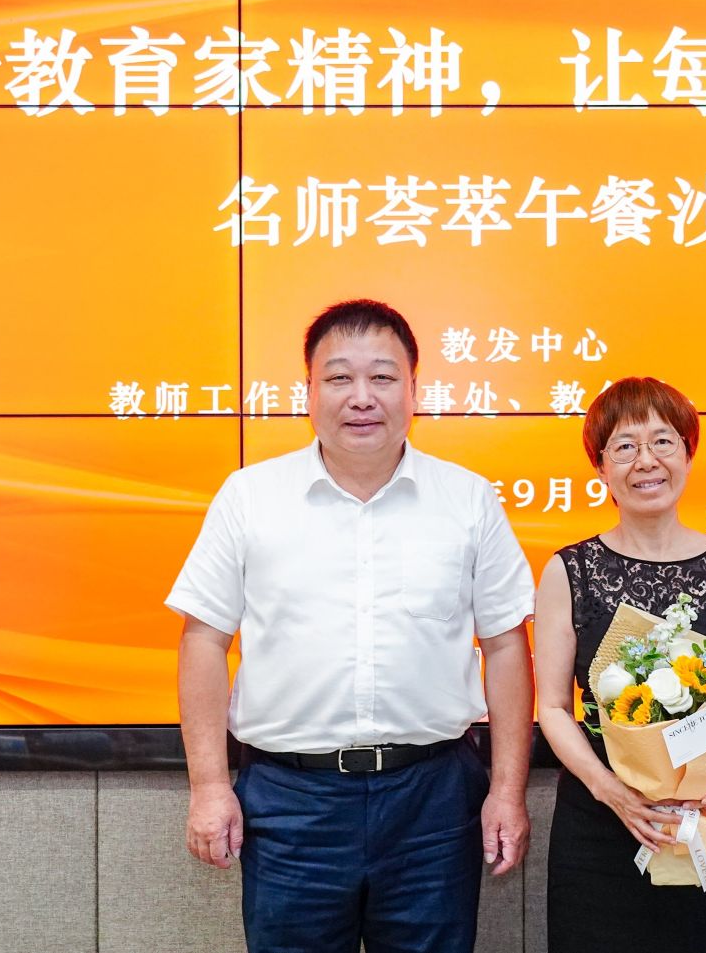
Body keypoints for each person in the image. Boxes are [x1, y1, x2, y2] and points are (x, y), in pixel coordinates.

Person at [167, 299, 536, 953]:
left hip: (432, 800)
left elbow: (507, 646)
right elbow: (204, 640)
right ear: (307, 392)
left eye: (382, 377)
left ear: (414, 390)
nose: (361, 397)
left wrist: (507, 790)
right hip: (290, 801)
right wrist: (210, 786)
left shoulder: (468, 499)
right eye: (339, 377)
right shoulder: (250, 497)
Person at [534, 377, 706, 953]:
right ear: (600, 467)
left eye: (663, 441)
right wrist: (612, 791)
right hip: (600, 821)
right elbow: (553, 707)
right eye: (625, 446)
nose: (647, 461)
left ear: (688, 454)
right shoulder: (569, 571)